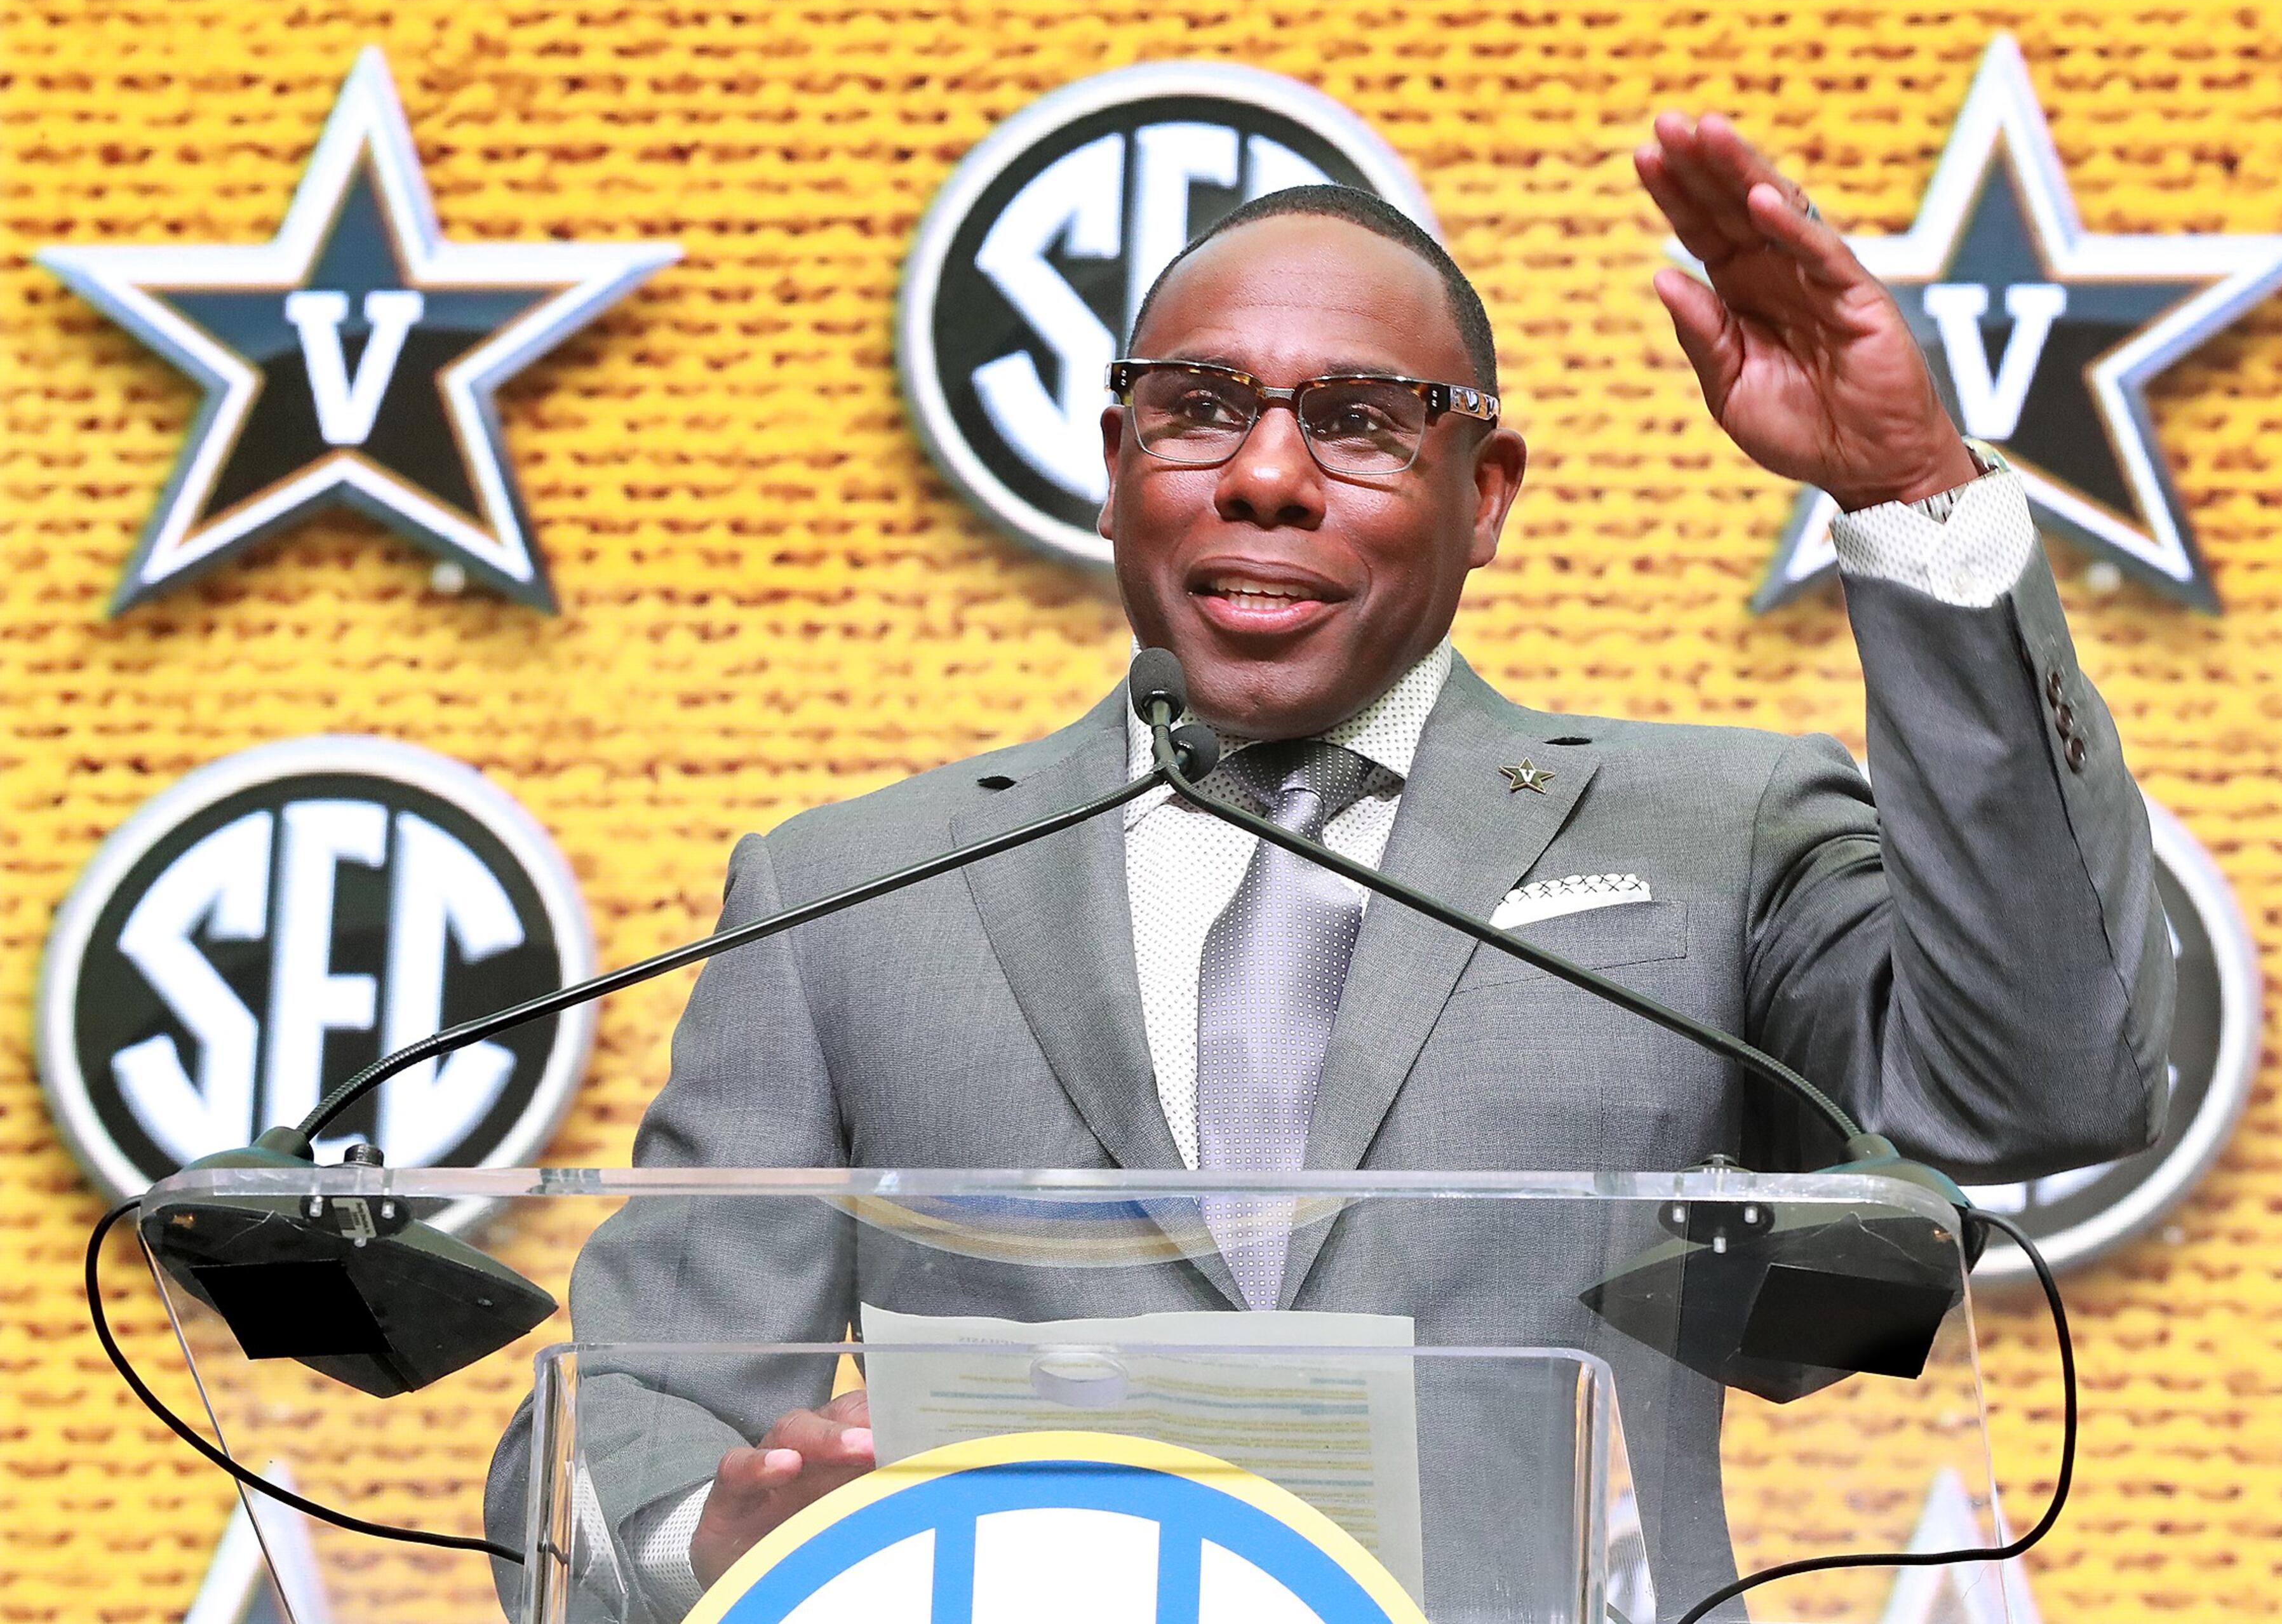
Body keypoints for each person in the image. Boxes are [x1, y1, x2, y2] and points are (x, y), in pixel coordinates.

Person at [487, 112, 2173, 1621]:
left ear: (1486, 488)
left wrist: (1909, 495)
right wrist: (709, 1538)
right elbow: (629, 1414)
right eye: (1197, 409)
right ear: (1114, 464)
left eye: (1362, 422)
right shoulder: (854, 892)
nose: (1267, 476)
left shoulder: (1717, 830)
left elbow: (2047, 1078)